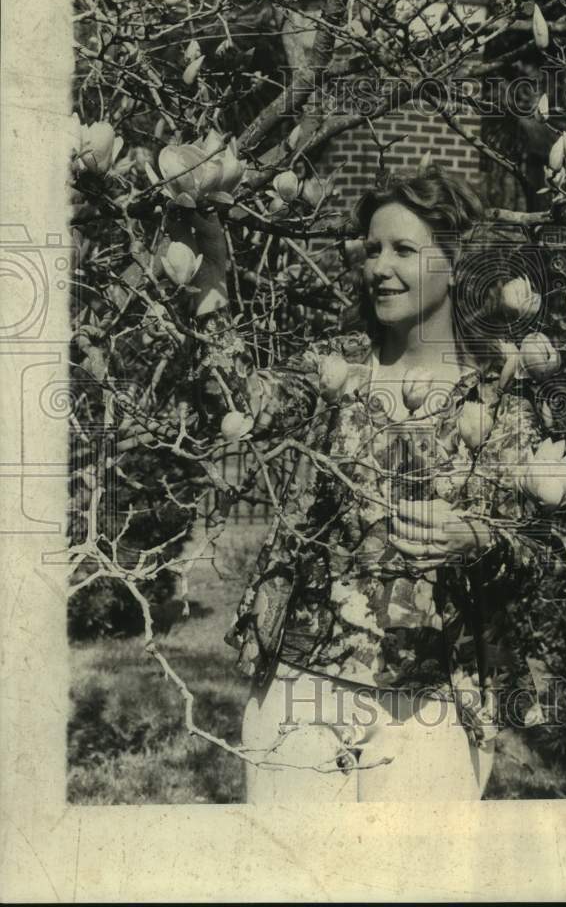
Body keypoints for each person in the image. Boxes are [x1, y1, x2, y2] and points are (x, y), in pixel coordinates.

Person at [161, 164, 545, 802]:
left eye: (403, 249)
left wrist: (477, 537)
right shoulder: (333, 367)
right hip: (302, 683)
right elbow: (240, 401)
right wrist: (208, 274)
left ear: (455, 265)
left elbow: (531, 550)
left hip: (432, 700)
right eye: (371, 249)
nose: (378, 267)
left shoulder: (500, 398)